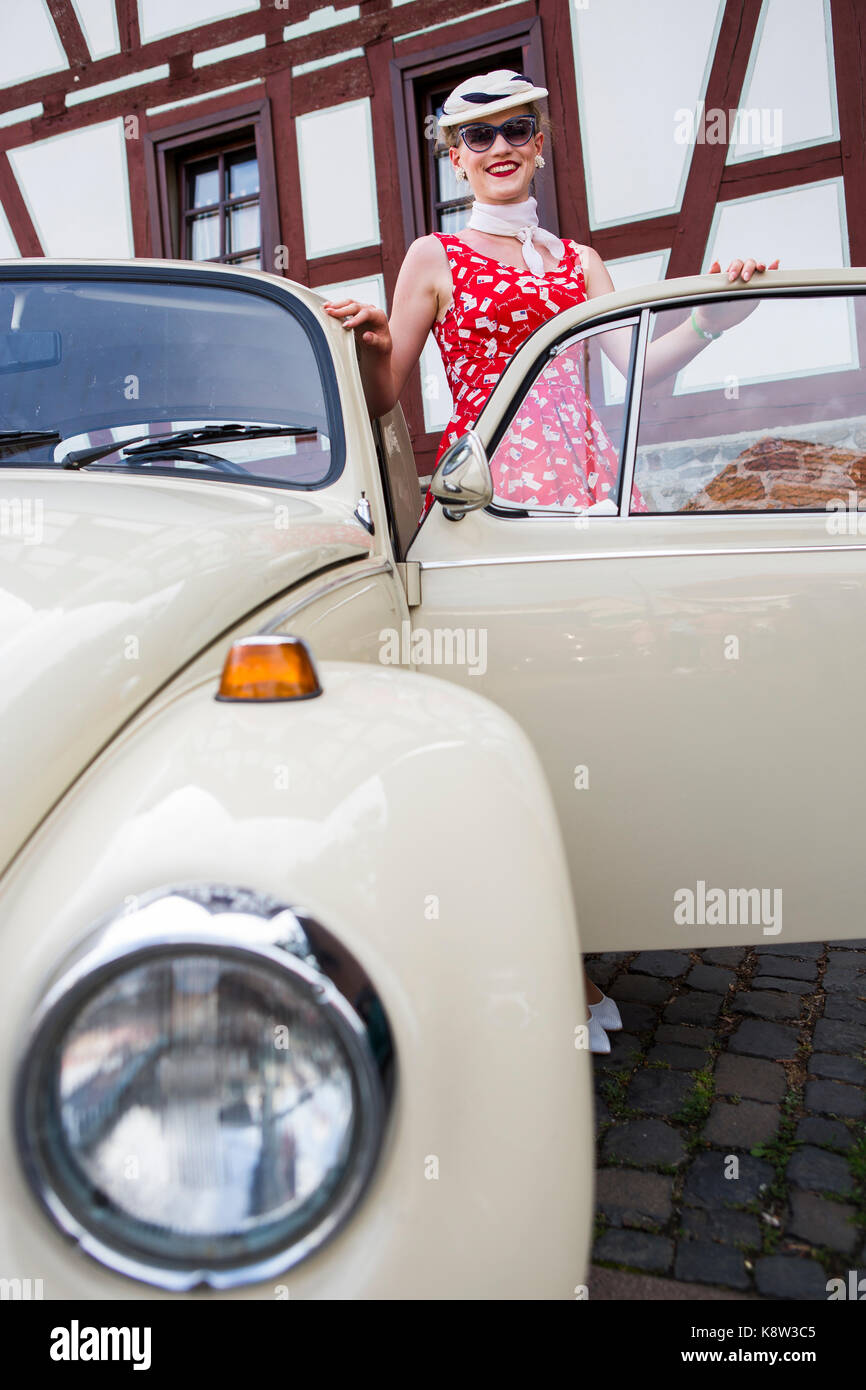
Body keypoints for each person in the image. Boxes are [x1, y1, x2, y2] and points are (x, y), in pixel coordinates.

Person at [322, 69, 777, 1052]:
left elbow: (632, 367)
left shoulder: (580, 257)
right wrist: (362, 340)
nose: (496, 148)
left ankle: (607, 910)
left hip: (586, 496)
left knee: (600, 721)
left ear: (538, 140)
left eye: (514, 129)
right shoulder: (431, 255)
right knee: (517, 725)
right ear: (451, 157)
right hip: (492, 511)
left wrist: (713, 321)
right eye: (474, 136)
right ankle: (540, 957)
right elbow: (392, 387)